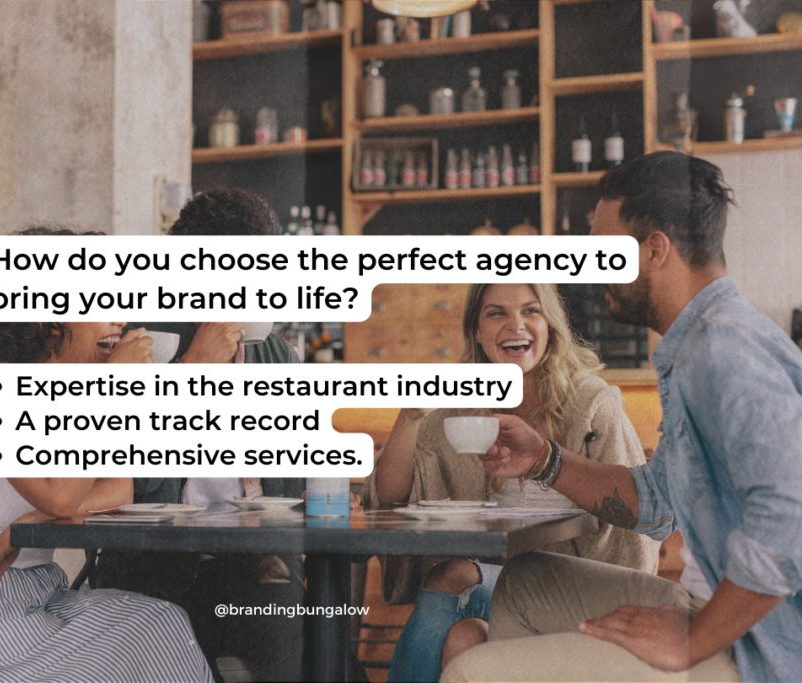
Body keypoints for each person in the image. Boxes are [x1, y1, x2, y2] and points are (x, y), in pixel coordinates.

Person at [442, 151, 802, 682]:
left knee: (469, 671)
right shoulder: (699, 344)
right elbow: (656, 506)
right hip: (710, 606)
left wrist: (693, 640)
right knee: (523, 581)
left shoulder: (723, 351)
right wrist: (544, 459)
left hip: (758, 645)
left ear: (655, 249)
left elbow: (791, 513)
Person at [0, 226, 213, 683]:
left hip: (36, 595)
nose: (121, 321)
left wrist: (27, 527)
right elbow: (61, 497)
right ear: (50, 317)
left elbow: (119, 489)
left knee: (161, 623)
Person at [95, 187, 365, 682]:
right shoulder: (141, 347)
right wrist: (193, 369)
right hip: (155, 573)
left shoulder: (278, 360)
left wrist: (322, 492)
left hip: (252, 571)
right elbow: (124, 488)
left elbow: (295, 481)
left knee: (319, 647)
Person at [364, 282, 660, 683]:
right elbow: (391, 496)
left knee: (455, 579)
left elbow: (635, 530)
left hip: (579, 598)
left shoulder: (592, 405)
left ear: (551, 325)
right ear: (476, 331)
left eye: (531, 311)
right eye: (496, 313)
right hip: (498, 596)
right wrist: (409, 417)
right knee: (465, 636)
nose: (514, 325)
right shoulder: (462, 405)